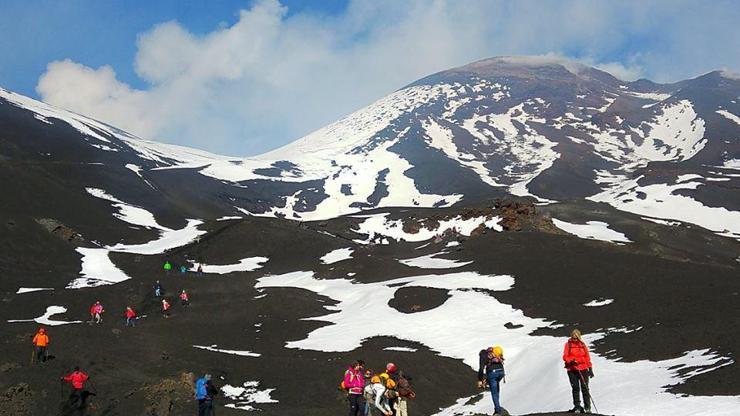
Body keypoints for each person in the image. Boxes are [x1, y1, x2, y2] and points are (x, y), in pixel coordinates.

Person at [563, 329, 594, 414]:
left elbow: (587, 358)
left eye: (576, 338)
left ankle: (587, 407)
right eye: (573, 337)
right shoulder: (568, 345)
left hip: (583, 368)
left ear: (579, 337)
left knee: (585, 388)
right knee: (575, 387)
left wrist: (590, 369)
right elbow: (565, 356)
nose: (575, 339)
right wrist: (571, 361)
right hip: (572, 369)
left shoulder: (583, 345)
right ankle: (577, 407)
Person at [478, 345, 506, 416]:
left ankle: (498, 411)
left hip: (493, 373)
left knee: (494, 393)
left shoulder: (482, 356)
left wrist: (480, 380)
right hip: (501, 372)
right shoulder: (493, 353)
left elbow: (481, 369)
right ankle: (497, 407)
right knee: (496, 390)